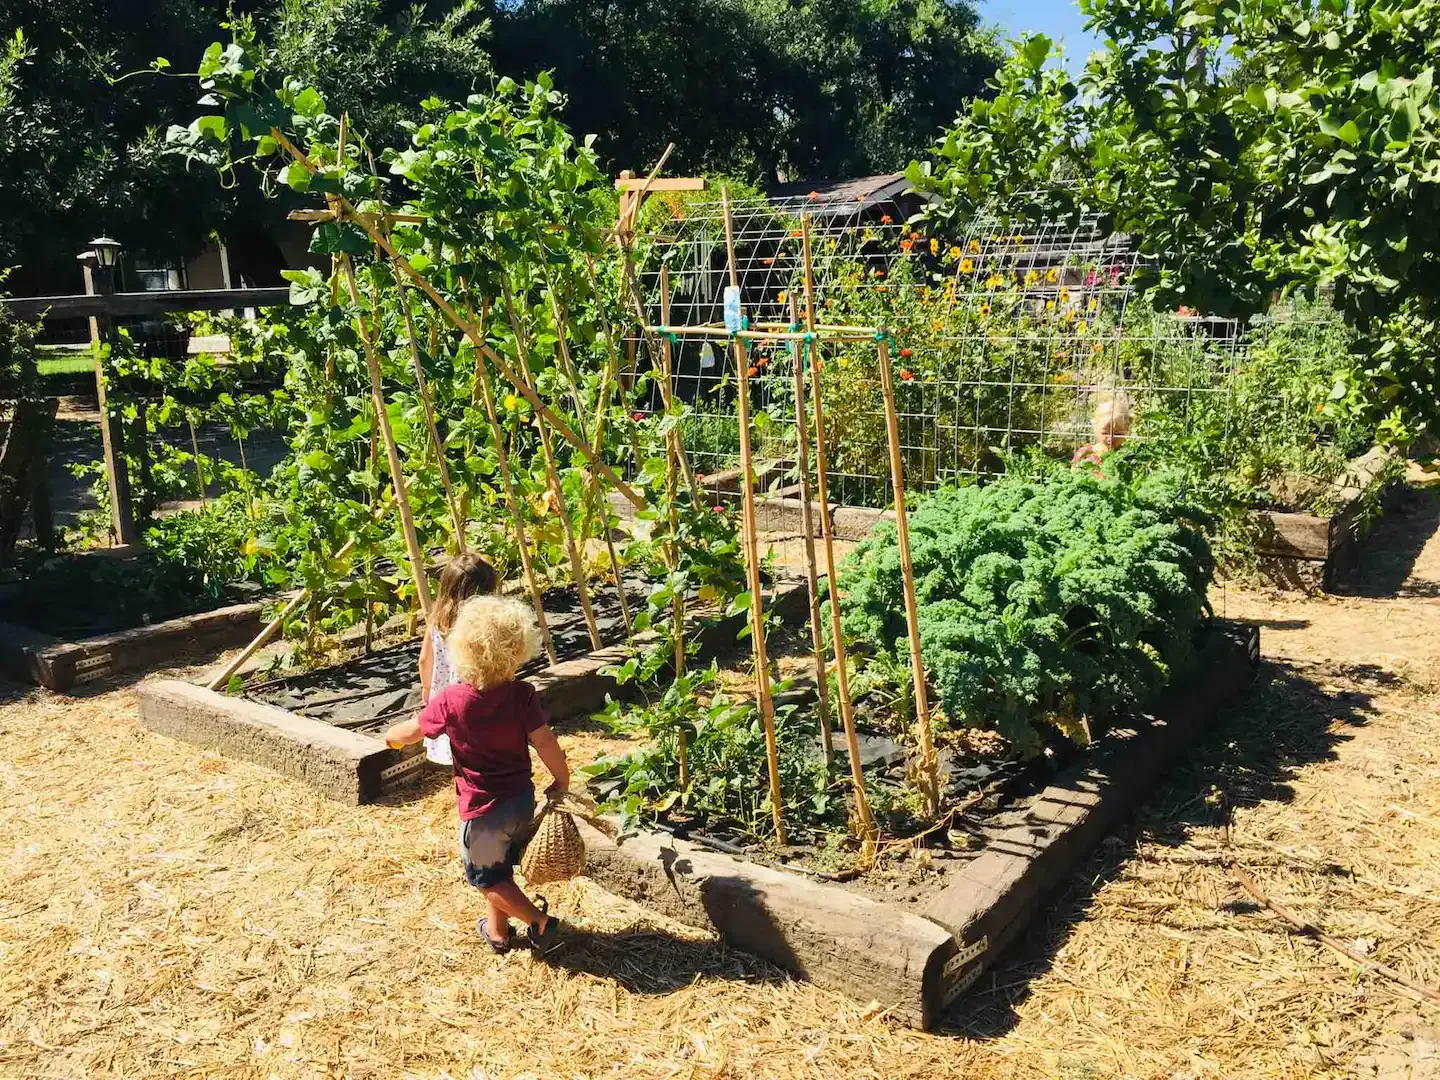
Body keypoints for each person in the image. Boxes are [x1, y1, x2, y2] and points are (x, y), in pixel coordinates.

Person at [384, 596, 570, 954]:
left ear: (463, 647)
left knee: (486, 880)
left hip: (484, 812)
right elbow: (545, 741)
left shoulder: (452, 700)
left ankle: (539, 922)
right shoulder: (523, 695)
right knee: (500, 867)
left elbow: (412, 732)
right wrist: (562, 779)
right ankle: (498, 932)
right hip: (520, 803)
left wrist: (391, 737)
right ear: (519, 648)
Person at [420, 554, 499, 767]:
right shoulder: (484, 625)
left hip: (445, 696)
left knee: (455, 741)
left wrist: (427, 689)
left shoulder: (437, 620)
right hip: (474, 695)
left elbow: (424, 659)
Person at [1072, 390, 1133, 472]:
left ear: (1127, 429)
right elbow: (1072, 475)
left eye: (1117, 433)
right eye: (1105, 433)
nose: (1110, 439)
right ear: (1095, 427)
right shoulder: (1084, 454)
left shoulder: (1129, 457)